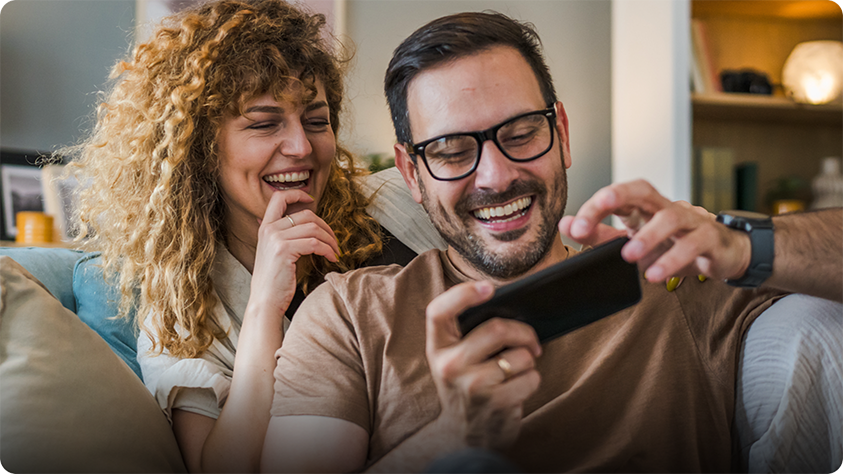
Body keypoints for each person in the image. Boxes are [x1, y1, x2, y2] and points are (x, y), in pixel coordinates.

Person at [260, 10, 843, 473]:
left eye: (520, 133)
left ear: (560, 134)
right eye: (452, 151)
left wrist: (745, 246)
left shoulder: (676, 267)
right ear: (411, 173)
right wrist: (451, 438)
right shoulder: (350, 313)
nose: (494, 176)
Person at [64, 1, 415, 473]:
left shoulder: (395, 203)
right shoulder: (182, 305)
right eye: (265, 123)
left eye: (316, 121)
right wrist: (263, 308)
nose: (301, 148)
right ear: (201, 147)